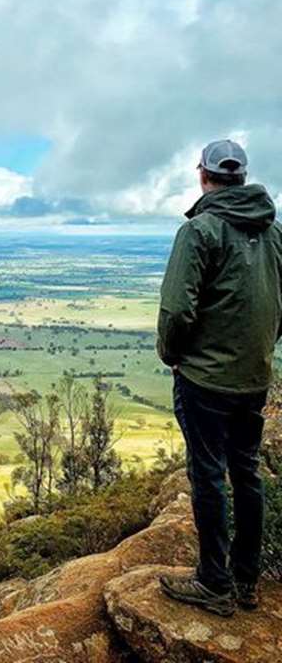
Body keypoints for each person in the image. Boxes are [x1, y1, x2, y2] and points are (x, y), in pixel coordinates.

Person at [156, 138, 282, 617]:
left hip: (205, 380)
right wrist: (260, 348)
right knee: (246, 472)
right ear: (242, 178)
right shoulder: (275, 233)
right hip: (254, 376)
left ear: (202, 175)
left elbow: (176, 309)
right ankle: (247, 581)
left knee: (208, 476)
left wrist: (173, 355)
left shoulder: (200, 230)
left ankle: (215, 583)